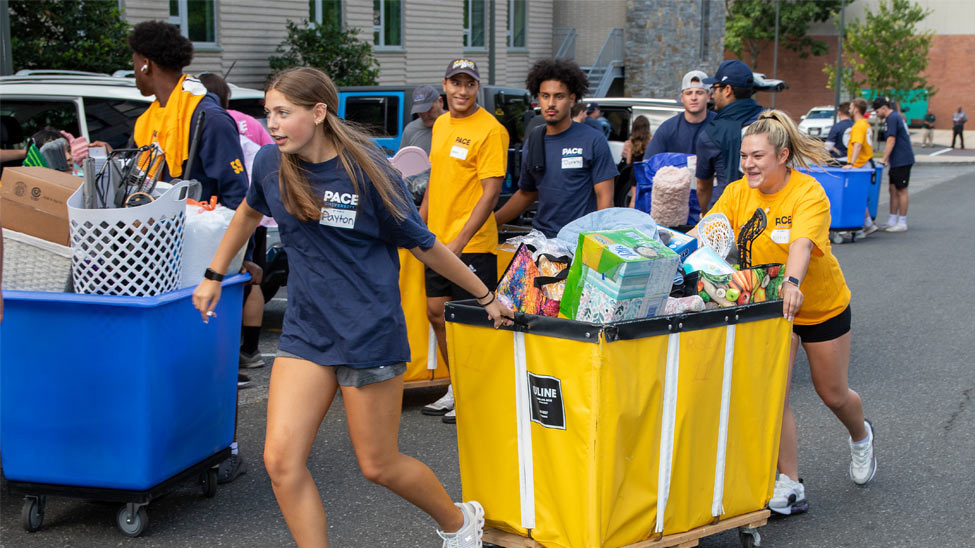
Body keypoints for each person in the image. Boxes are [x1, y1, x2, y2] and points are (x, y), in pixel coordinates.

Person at [192, 66, 513, 548]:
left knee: (378, 464)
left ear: (319, 112)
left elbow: (423, 243)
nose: (273, 124)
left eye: (284, 112)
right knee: (281, 462)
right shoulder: (269, 165)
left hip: (368, 333)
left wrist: (487, 296)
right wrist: (215, 274)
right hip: (306, 333)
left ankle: (458, 522)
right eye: (268, 112)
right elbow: (248, 213)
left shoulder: (367, 170)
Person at [695, 109, 876, 517]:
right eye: (744, 156)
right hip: (769, 308)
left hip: (818, 305)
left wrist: (792, 284)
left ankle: (861, 435)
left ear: (782, 156)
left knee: (832, 393)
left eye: (757, 156)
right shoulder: (739, 191)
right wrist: (672, 246)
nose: (748, 164)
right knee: (773, 393)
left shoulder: (807, 193)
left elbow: (801, 247)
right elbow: (709, 232)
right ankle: (790, 483)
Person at [129, 20, 252, 482]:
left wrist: (233, 264)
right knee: (174, 361)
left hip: (206, 263)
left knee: (212, 358)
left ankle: (226, 449)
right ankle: (181, 446)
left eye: (134, 64)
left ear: (147, 64)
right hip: (159, 260)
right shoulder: (151, 121)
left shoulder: (207, 116)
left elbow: (241, 196)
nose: (134, 73)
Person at [420, 58, 510, 424]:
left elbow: (491, 194)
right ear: (444, 86)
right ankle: (458, 387)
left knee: (472, 322)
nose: (461, 91)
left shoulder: (490, 130)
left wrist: (459, 240)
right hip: (436, 241)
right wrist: (417, 224)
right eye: (455, 83)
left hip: (471, 244)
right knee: (436, 313)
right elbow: (435, 179)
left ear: (477, 88)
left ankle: (478, 393)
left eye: (468, 84)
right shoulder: (441, 124)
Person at [198, 72, 274, 373]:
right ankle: (250, 349)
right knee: (251, 282)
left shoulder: (207, 121)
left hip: (228, 213)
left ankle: (226, 355)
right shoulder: (250, 123)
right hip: (258, 211)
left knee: (234, 278)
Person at [494, 58, 617, 237]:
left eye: (559, 96)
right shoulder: (534, 141)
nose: (551, 103)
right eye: (545, 96)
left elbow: (605, 201)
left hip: (580, 244)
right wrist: (491, 222)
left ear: (572, 99)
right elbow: (527, 193)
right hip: (542, 243)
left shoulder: (592, 140)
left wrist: (598, 245)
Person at [696, 59, 765, 211]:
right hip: (766, 211)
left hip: (726, 213)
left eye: (714, 88)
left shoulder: (711, 133)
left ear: (727, 90)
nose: (712, 94)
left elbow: (703, 187)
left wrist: (705, 215)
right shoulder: (770, 121)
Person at [642, 70, 716, 160]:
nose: (693, 98)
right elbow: (647, 163)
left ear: (708, 96)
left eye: (699, 93)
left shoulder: (720, 125)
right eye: (688, 93)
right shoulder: (668, 128)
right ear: (682, 98)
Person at [871, 97, 915, 233]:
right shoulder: (894, 117)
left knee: (901, 190)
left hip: (903, 159)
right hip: (897, 160)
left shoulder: (892, 118)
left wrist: (884, 158)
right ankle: (892, 219)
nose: (877, 115)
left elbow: (891, 139)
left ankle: (902, 221)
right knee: (893, 189)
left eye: (877, 112)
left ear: (884, 108)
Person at [400, 85, 446, 154]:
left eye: (429, 109)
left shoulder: (458, 124)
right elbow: (402, 160)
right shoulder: (410, 130)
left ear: (440, 102)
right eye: (420, 111)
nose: (425, 115)